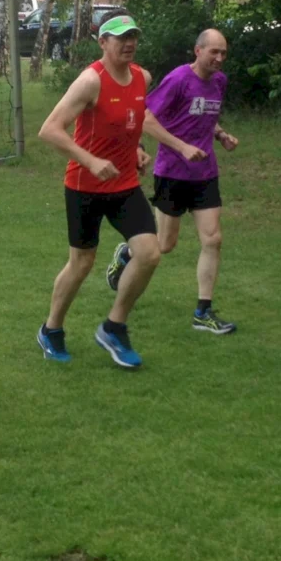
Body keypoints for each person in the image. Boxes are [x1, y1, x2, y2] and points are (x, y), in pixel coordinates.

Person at [36, 10, 207, 368]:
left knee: (149, 253)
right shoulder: (90, 81)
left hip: (124, 184)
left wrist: (139, 150)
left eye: (133, 37)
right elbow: (50, 129)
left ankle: (114, 327)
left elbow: (131, 122)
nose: (129, 43)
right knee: (81, 264)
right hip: (84, 186)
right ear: (103, 42)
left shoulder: (142, 77)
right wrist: (90, 161)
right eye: (120, 37)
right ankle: (51, 329)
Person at [106, 28, 239, 335]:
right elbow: (146, 116)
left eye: (223, 53)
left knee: (213, 239)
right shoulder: (179, 79)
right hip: (172, 173)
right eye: (214, 52)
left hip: (205, 174)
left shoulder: (219, 81)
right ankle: (126, 254)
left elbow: (206, 113)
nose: (219, 59)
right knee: (164, 245)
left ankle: (203, 312)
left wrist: (220, 135)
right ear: (197, 51)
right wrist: (181, 147)